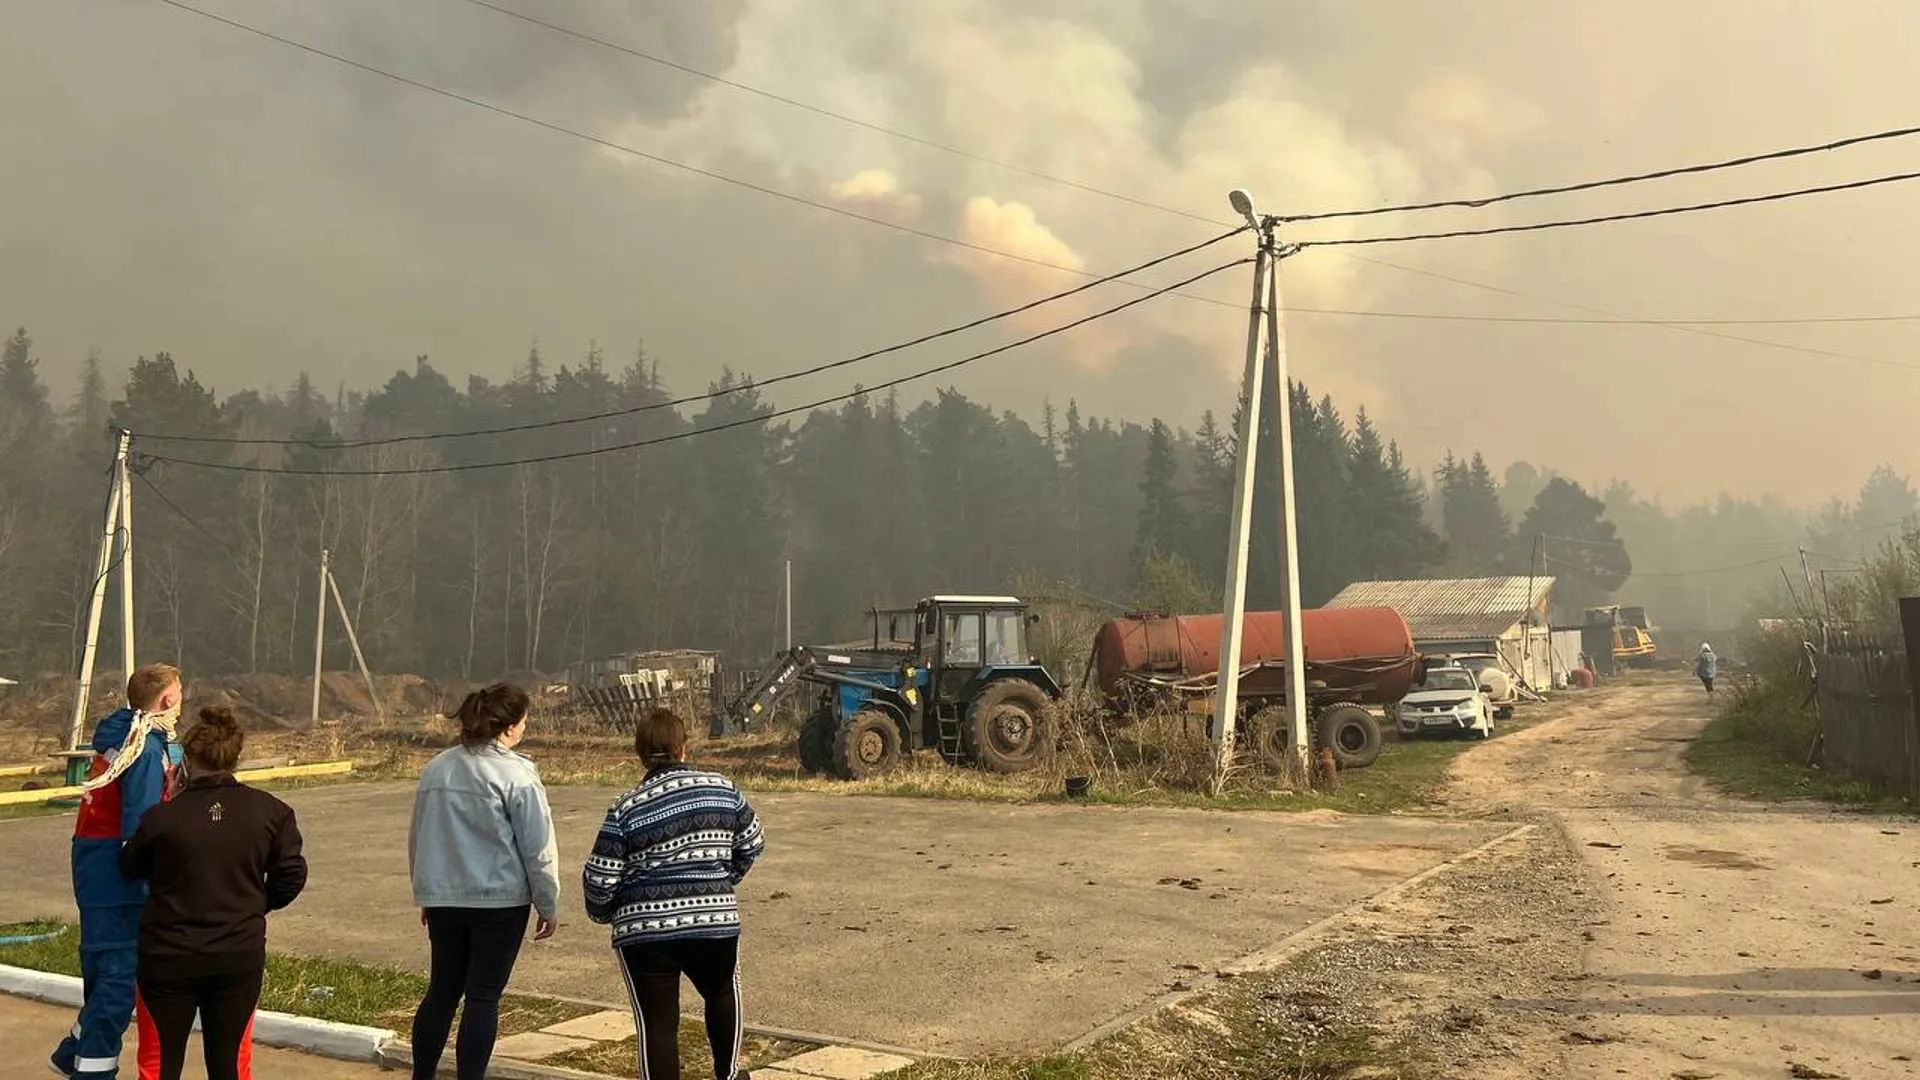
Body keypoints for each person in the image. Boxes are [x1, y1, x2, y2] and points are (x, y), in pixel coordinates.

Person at [119, 707, 307, 1080]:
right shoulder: (272, 812)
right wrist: (257, 905)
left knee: (159, 1064)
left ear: (185, 761)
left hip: (167, 955)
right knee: (230, 1064)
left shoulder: (162, 818)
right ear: (235, 758)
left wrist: (170, 800)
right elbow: (291, 874)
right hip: (237, 953)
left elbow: (129, 866)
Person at [585, 707, 765, 1080]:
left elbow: (600, 879)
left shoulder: (625, 807)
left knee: (657, 1023)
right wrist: (720, 881)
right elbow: (752, 841)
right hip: (714, 922)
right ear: (684, 747)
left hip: (646, 933)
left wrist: (608, 912)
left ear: (639, 753)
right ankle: (729, 1073)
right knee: (721, 993)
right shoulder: (722, 788)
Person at [407, 682, 560, 1080]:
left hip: (444, 899)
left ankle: (421, 1075)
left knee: (441, 993)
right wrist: (548, 902)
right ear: (508, 727)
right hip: (499, 901)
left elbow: (419, 835)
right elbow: (537, 846)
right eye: (523, 722)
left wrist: (427, 890)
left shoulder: (437, 768)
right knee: (482, 997)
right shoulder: (517, 774)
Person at [52, 663, 188, 1080]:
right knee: (116, 980)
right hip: (118, 878)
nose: (182, 701)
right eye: (180, 692)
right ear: (167, 699)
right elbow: (142, 829)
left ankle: (73, 1050)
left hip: (97, 867)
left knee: (105, 969)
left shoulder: (127, 736)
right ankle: (91, 1071)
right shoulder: (145, 751)